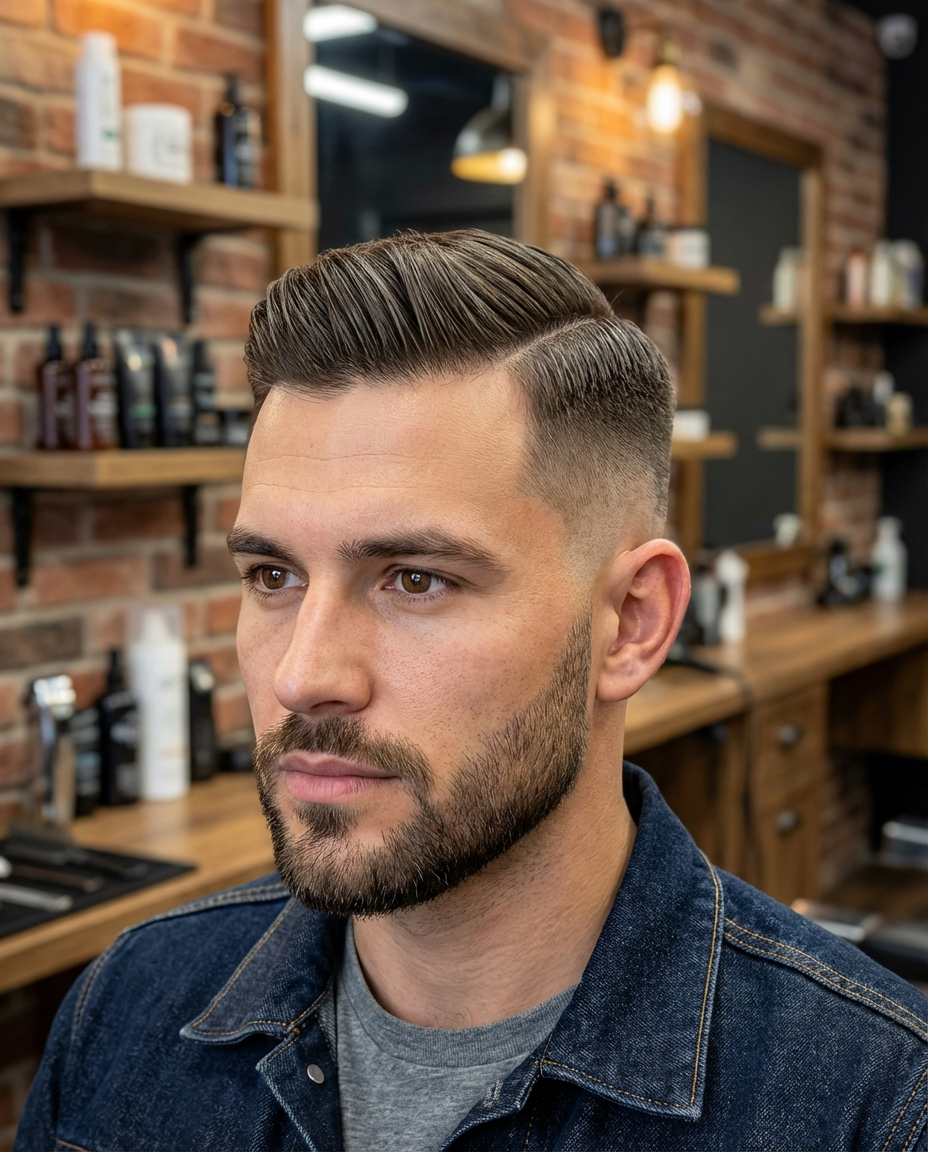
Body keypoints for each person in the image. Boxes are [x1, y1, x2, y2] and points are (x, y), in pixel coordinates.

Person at [16, 232, 926, 1152]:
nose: (303, 676)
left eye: (415, 579)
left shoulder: (873, 1108)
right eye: (273, 577)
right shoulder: (128, 1009)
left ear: (633, 622)